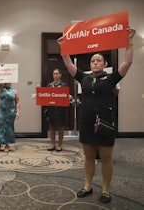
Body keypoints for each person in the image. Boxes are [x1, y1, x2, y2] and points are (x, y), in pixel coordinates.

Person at [57, 27, 136, 203]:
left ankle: (106, 190)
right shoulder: (84, 78)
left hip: (105, 123)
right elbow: (69, 65)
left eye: (98, 60)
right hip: (86, 124)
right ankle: (87, 186)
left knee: (106, 158)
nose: (94, 62)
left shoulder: (111, 78)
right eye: (92, 60)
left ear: (105, 64)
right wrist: (63, 47)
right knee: (89, 157)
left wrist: (129, 42)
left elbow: (127, 63)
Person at [45, 69, 67, 152]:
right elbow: (46, 97)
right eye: (54, 73)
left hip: (60, 109)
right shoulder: (49, 85)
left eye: (57, 73)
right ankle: (52, 144)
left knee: (60, 126)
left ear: (60, 75)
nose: (55, 75)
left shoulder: (64, 85)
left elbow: (65, 96)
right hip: (51, 109)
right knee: (51, 126)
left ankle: (59, 144)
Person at [0, 82, 20, 152]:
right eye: (6, 81)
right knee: (0, 127)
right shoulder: (1, 88)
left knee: (9, 128)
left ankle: (7, 144)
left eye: (8, 81)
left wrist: (18, 112)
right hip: (1, 111)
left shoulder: (15, 91)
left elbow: (17, 102)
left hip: (11, 112)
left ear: (11, 82)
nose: (7, 83)